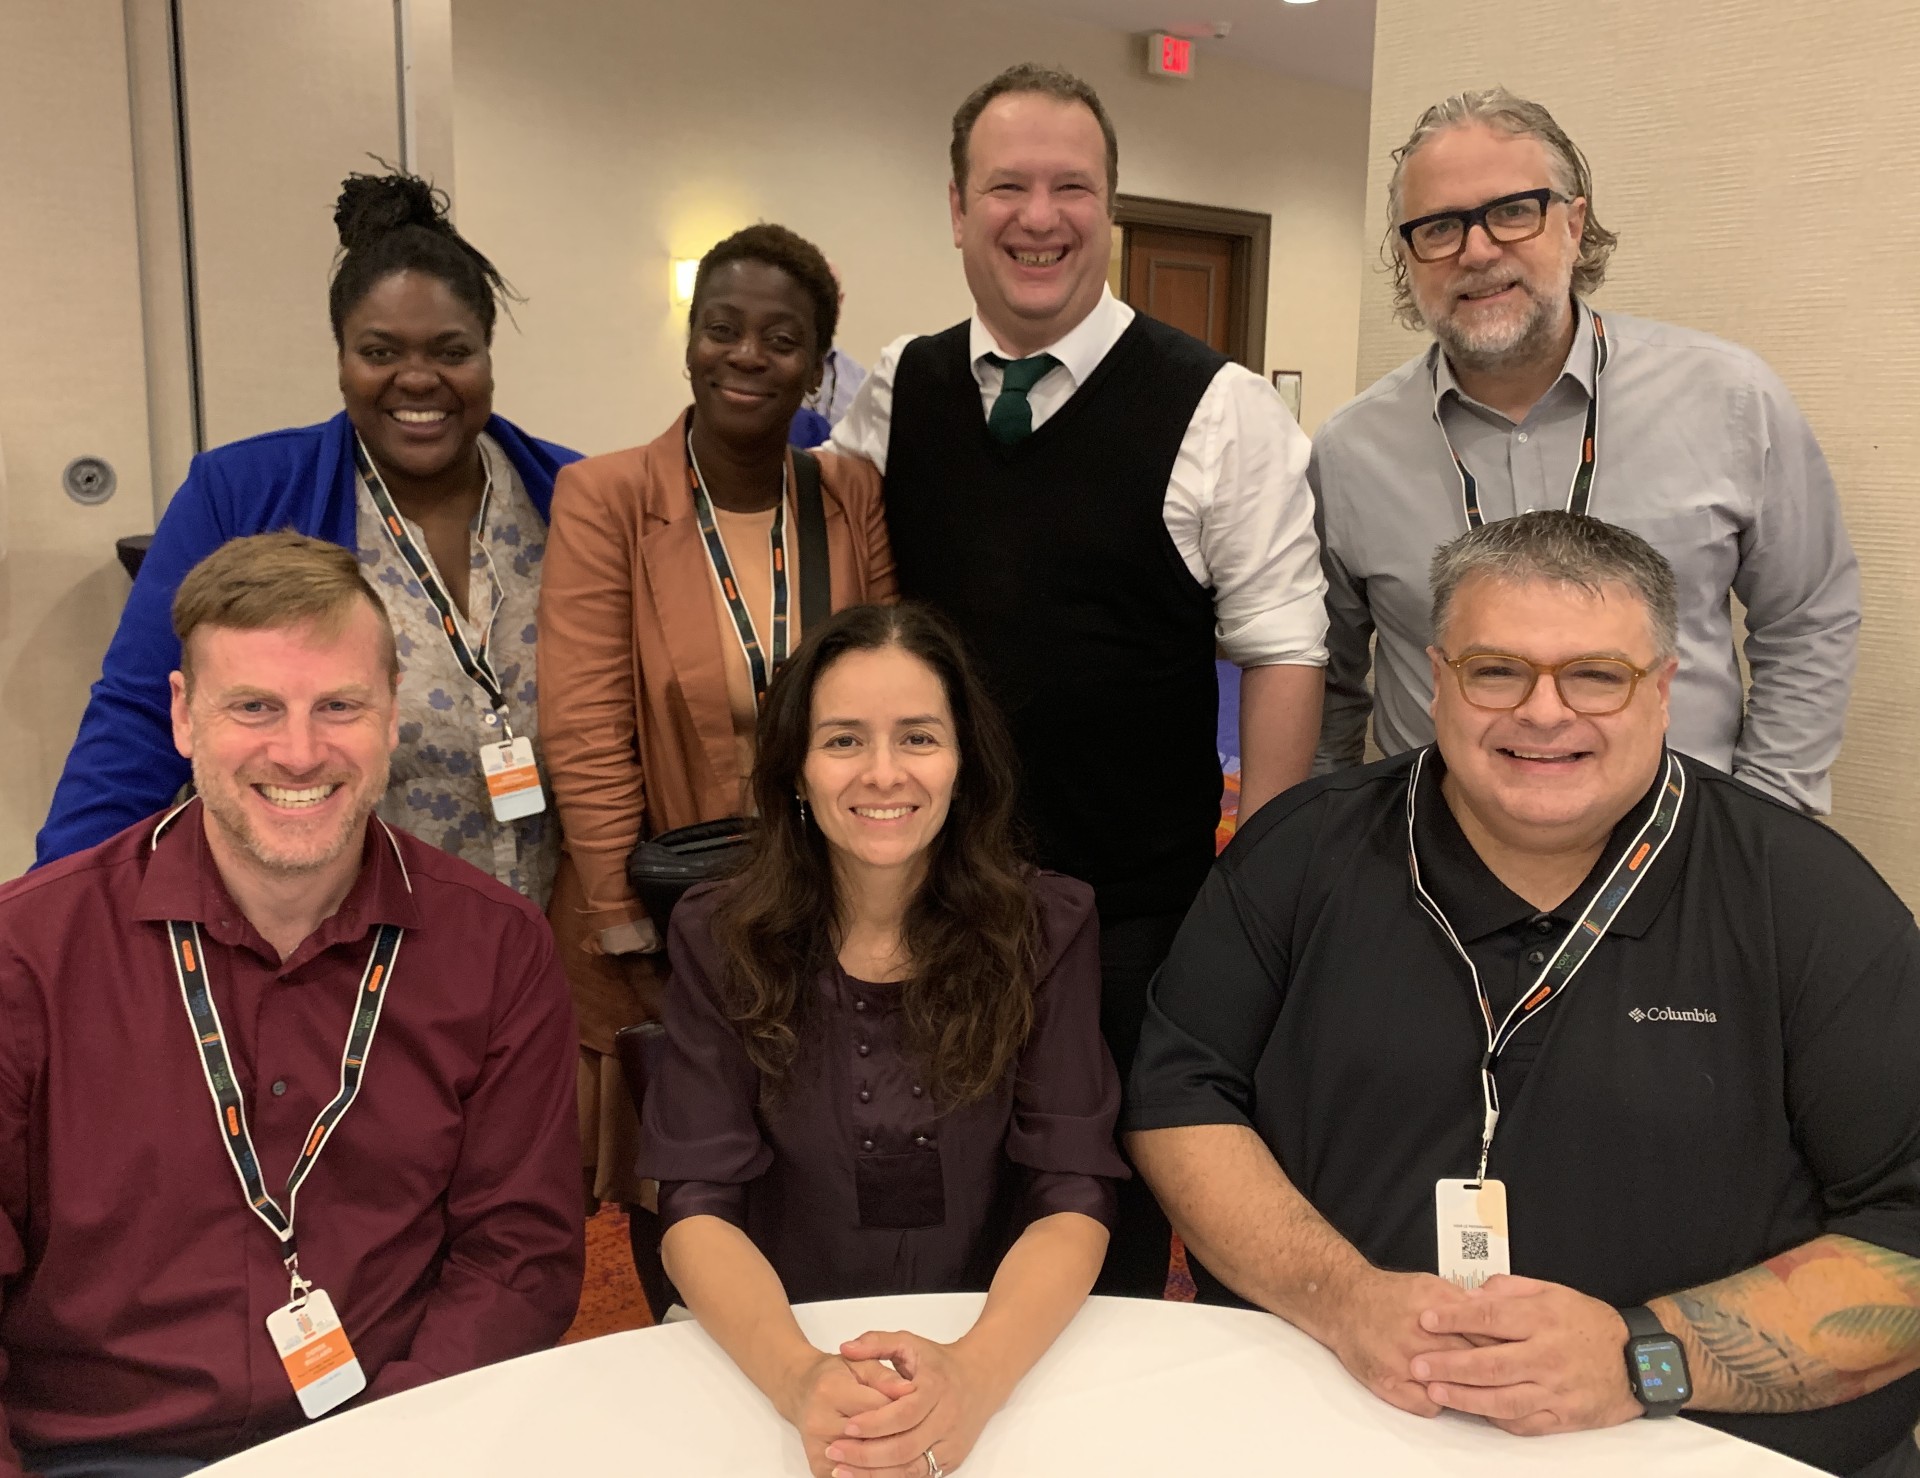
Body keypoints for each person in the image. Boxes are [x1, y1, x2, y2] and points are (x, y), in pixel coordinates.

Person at [1125, 511, 1920, 1476]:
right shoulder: (1300, 854)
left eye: (1596, 675)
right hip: (1332, 1414)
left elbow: (1906, 1229)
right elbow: (1179, 1098)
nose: (1544, 713)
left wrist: (1643, 1357)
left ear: (1664, 690)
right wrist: (1343, 1298)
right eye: (1497, 670)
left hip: (1700, 1444)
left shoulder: (1806, 901)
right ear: (1437, 678)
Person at [830, 62, 1328, 1297]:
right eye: (1007, 185)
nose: (1039, 216)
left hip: (1130, 911)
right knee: (925, 1196)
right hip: (926, 889)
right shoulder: (895, 390)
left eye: (1073, 187)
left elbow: (1283, 648)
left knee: (1102, 1212)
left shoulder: (1219, 407)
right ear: (956, 206)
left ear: (1112, 209)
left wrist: (1250, 893)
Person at [0, 533, 582, 1477]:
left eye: (340, 706)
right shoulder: (27, 955)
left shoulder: (496, 947)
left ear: (393, 714)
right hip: (100, 1452)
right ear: (185, 717)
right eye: (255, 707)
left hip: (396, 1435)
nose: (300, 752)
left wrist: (388, 1449)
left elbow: (520, 1254)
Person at [639, 602, 1124, 1478]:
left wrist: (974, 1377)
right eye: (844, 741)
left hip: (999, 1343)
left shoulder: (1049, 926)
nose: (884, 773)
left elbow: (1073, 1192)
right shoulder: (719, 933)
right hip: (773, 1352)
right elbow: (695, 1205)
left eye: (918, 738)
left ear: (963, 761)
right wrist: (800, 1382)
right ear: (795, 767)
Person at [1311, 88, 1858, 815]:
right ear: (1408, 258)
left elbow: (1808, 617)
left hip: (1680, 843)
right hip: (1437, 859)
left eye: (1512, 212)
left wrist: (1763, 822)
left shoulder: (1730, 399)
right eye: (1438, 227)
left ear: (1574, 224)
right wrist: (1325, 842)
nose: (1476, 250)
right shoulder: (1350, 451)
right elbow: (1328, 680)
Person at [38, 169, 580, 900]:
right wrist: (59, 911)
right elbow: (136, 720)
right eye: (381, 352)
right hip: (328, 929)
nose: (417, 379)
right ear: (341, 361)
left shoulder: (571, 496)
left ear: (487, 356)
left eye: (451, 352)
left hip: (550, 931)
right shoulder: (243, 495)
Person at [538, 223, 894, 1215]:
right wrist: (620, 915)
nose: (746, 355)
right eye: (721, 328)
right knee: (688, 1181)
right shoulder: (606, 498)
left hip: (829, 892)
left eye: (779, 338)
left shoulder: (848, 494)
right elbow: (586, 719)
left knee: (820, 1161)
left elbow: (889, 681)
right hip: (670, 904)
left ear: (818, 367)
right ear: (691, 338)